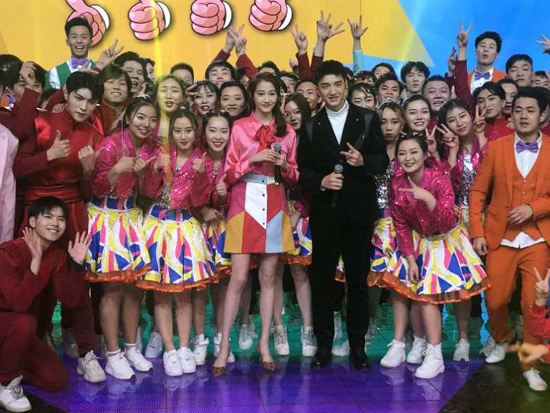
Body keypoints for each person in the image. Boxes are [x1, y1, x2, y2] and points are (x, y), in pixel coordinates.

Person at [13, 71, 105, 381]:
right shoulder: (40, 121)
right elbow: (18, 168)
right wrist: (49, 155)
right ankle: (29, 346)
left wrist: (89, 171)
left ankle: (86, 353)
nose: (84, 107)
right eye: (79, 98)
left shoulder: (94, 135)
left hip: (74, 212)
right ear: (66, 93)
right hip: (37, 209)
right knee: (32, 281)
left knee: (79, 283)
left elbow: (88, 192)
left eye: (91, 102)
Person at [298, 60, 389, 369]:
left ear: (347, 85)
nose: (333, 91)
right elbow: (303, 172)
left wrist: (364, 161)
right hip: (324, 214)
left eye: (338, 84)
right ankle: (323, 347)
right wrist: (321, 182)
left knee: (358, 284)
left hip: (359, 214)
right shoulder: (311, 125)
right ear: (318, 90)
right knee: (323, 283)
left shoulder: (368, 118)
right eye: (326, 86)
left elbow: (382, 161)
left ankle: (358, 348)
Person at [213, 73, 299, 375]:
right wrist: (252, 159)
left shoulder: (288, 132)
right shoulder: (239, 128)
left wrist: (285, 166)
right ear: (253, 96)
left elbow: (295, 176)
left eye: (271, 93)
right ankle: (224, 346)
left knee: (268, 277)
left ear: (279, 96)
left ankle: (264, 343)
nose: (266, 99)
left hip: (275, 202)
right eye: (261, 93)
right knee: (238, 278)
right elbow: (228, 174)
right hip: (243, 202)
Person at [469, 88, 550, 391]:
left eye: (530, 110)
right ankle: (502, 337)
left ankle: (530, 363)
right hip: (500, 236)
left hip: (538, 238)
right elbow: (478, 191)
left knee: (532, 303)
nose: (523, 115)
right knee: (496, 299)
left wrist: (534, 208)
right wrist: (477, 231)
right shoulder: (497, 147)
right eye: (518, 110)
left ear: (543, 115)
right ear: (510, 114)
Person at [390, 133, 488, 378]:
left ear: (425, 154)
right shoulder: (397, 183)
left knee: (443, 296)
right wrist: (410, 259)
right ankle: (430, 351)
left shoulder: (438, 178)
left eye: (414, 152)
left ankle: (451, 347)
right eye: (402, 153)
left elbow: (446, 220)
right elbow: (401, 225)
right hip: (422, 242)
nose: (408, 157)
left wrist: (429, 199)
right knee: (423, 295)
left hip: (447, 241)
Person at [85, 97, 158, 380]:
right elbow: (96, 188)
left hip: (131, 217)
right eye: (141, 117)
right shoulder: (110, 144)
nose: (146, 124)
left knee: (134, 290)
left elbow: (149, 193)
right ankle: (112, 354)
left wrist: (142, 175)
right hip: (106, 217)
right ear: (128, 117)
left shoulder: (151, 149)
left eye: (152, 119)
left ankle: (131, 348)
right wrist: (117, 169)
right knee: (113, 290)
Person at [0, 197, 95, 412]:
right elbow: (17, 304)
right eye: (49, 216)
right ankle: (5, 384)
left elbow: (70, 299)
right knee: (24, 322)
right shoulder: (8, 251)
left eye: (61, 219)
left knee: (57, 380)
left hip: (18, 334)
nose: (55, 223)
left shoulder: (56, 256)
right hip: (9, 324)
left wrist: (77, 265)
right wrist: (35, 262)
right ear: (32, 221)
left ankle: (8, 368)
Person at [139, 109, 214, 376]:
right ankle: (169, 350)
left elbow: (198, 202)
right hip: (157, 225)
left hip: (184, 226)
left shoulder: (202, 160)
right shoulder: (161, 155)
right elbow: (149, 192)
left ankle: (184, 348)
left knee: (184, 295)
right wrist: (154, 170)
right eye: (178, 131)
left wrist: (202, 175)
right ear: (170, 133)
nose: (183, 136)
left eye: (188, 131)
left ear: (196, 132)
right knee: (160, 294)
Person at [437, 99, 489, 360]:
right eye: (452, 120)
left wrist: (480, 135)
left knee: (494, 281)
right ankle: (463, 339)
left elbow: (496, 172)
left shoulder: (489, 142)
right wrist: (453, 151)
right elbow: (446, 186)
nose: (459, 123)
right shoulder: (445, 150)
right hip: (458, 224)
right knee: (464, 284)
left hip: (489, 220)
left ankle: (496, 335)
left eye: (462, 116)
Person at [190, 110, 235, 365]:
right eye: (212, 130)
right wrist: (201, 210)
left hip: (226, 229)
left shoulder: (235, 160)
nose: (218, 136)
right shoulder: (196, 159)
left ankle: (222, 338)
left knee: (223, 287)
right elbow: (181, 195)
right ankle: (199, 339)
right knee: (199, 288)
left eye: (223, 131)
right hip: (198, 229)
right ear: (203, 133)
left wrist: (226, 197)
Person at [46, 17, 95, 89]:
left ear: (91, 42)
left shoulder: (100, 69)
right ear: (67, 42)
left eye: (84, 37)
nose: (79, 41)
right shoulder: (55, 72)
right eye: (74, 37)